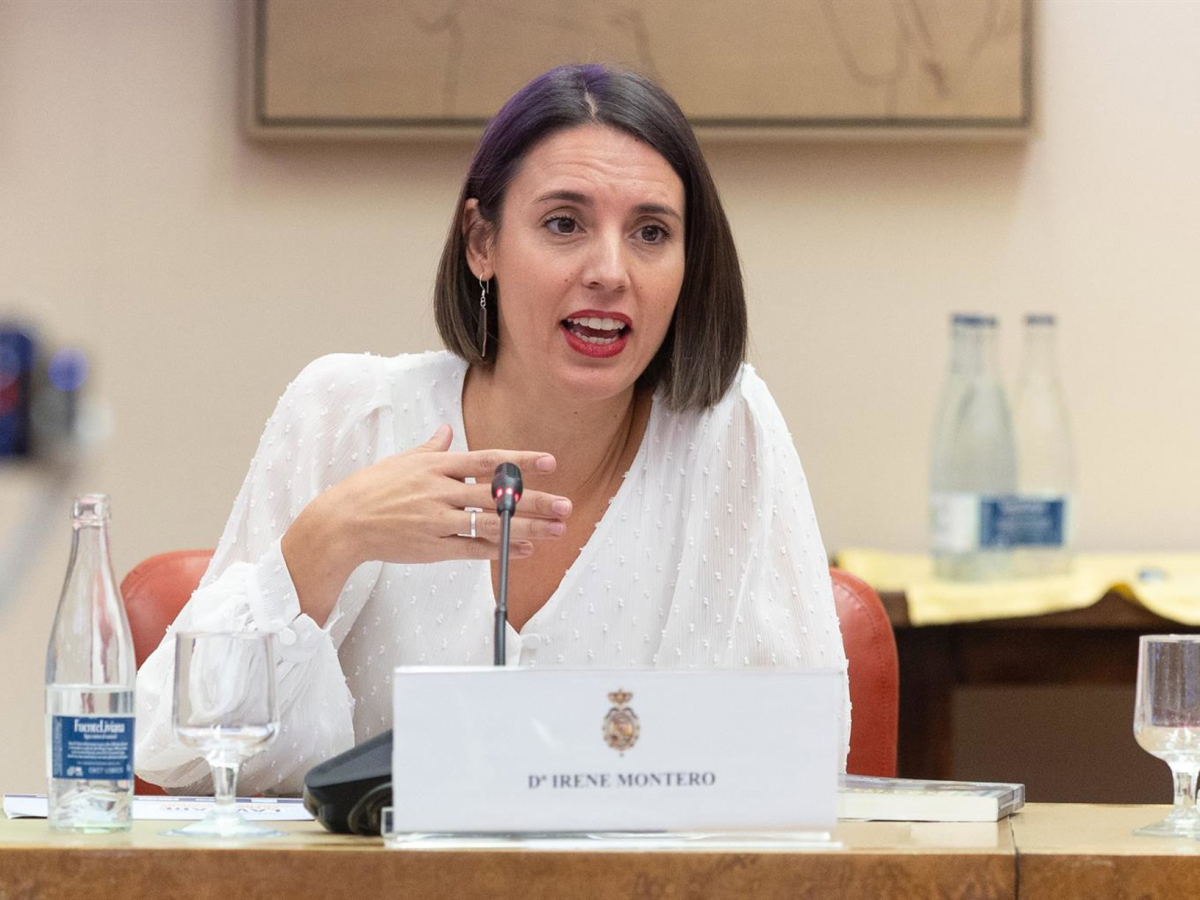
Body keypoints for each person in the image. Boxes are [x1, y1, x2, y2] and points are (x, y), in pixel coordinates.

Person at [136, 64, 850, 795]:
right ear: (483, 241)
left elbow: (802, 753)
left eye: (651, 232)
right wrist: (330, 538)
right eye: (564, 223)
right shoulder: (348, 415)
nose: (610, 271)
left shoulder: (728, 430)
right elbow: (174, 749)